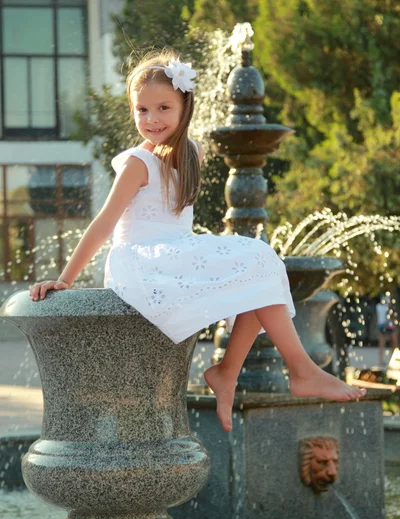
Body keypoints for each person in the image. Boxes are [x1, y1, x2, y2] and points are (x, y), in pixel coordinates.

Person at [29, 48, 366, 432]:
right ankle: (300, 370)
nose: (152, 119)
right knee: (256, 259)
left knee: (259, 262)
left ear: (184, 108)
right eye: (142, 110)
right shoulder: (138, 164)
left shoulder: (191, 153)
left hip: (174, 251)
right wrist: (66, 278)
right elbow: (104, 223)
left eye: (163, 108)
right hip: (141, 261)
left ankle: (228, 373)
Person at [376, 295, 398, 366]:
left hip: (383, 325)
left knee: (385, 342)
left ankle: (384, 360)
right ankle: (384, 360)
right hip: (385, 325)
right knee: (390, 342)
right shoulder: (384, 306)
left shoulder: (380, 306)